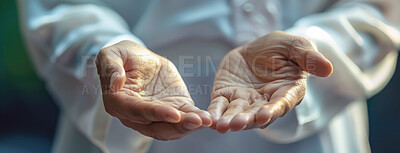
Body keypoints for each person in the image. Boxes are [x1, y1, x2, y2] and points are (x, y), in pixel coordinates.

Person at [18, 0, 400, 153]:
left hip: (316, 135)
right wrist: (107, 49)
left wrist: (313, 49)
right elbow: (55, 8)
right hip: (132, 125)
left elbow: (377, 10)